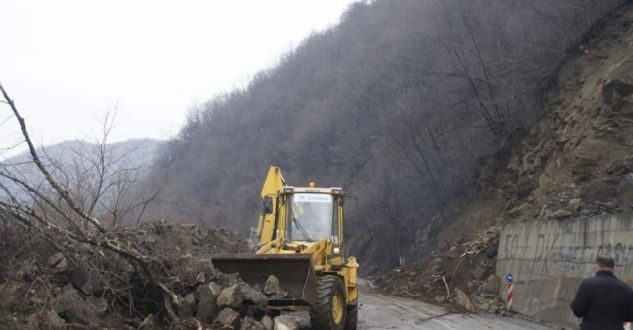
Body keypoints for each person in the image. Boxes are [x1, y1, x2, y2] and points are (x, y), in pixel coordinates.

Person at [571, 256, 633, 330]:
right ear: (614, 268)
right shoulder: (626, 288)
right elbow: (630, 316)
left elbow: (578, 310)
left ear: (597, 267)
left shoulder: (587, 284)